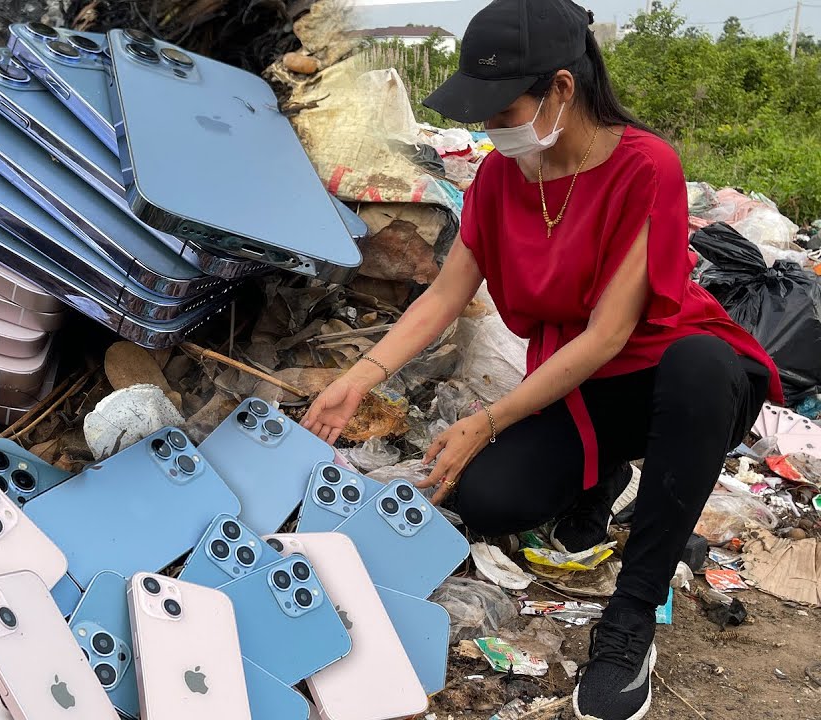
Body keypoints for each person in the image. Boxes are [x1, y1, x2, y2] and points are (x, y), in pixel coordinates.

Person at [303, 1, 780, 719]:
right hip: (580, 389)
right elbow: (444, 297)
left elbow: (610, 335)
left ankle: (632, 616)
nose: (492, 129)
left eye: (503, 111)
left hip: (672, 377)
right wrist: (359, 378)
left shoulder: (645, 166)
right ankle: (604, 479)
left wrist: (487, 420)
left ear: (561, 88)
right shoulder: (499, 178)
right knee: (488, 499)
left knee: (701, 370)